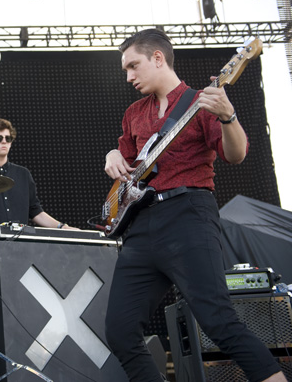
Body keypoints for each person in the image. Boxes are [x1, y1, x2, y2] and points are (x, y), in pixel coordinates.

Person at [103, 29, 286, 382]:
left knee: (218, 322)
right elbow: (126, 165)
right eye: (126, 69)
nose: (129, 76)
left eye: (133, 66)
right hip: (141, 227)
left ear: (158, 58)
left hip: (188, 216)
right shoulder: (134, 113)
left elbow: (236, 154)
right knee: (120, 332)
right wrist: (112, 154)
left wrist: (228, 117)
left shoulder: (201, 101)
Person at [0, 118, 75, 233]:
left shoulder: (23, 174)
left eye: (8, 138)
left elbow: (35, 211)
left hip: (21, 243)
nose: (4, 141)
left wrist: (62, 227)